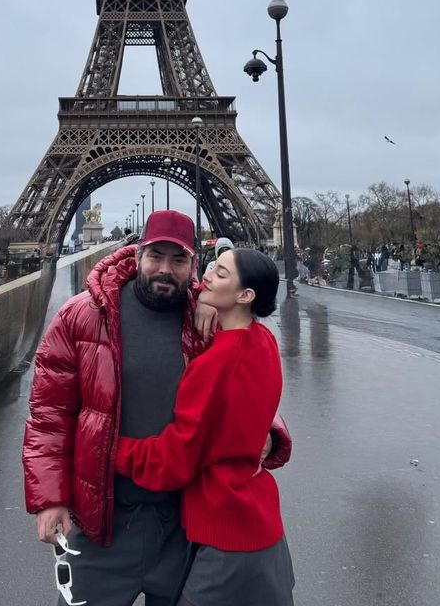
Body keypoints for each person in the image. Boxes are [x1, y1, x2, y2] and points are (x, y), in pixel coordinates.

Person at [23, 209, 292, 606]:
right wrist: (50, 499)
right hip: (105, 520)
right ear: (137, 256)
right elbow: (49, 414)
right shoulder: (80, 315)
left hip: (182, 525)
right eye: (156, 256)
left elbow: (246, 383)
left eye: (178, 259)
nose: (165, 269)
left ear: (193, 265)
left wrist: (267, 432)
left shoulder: (213, 318)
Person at [115, 247, 294, 605]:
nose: (207, 277)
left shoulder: (213, 365)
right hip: (264, 529)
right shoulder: (265, 343)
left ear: (245, 296)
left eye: (221, 274)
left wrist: (113, 449)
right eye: (211, 267)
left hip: (226, 535)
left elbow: (174, 460)